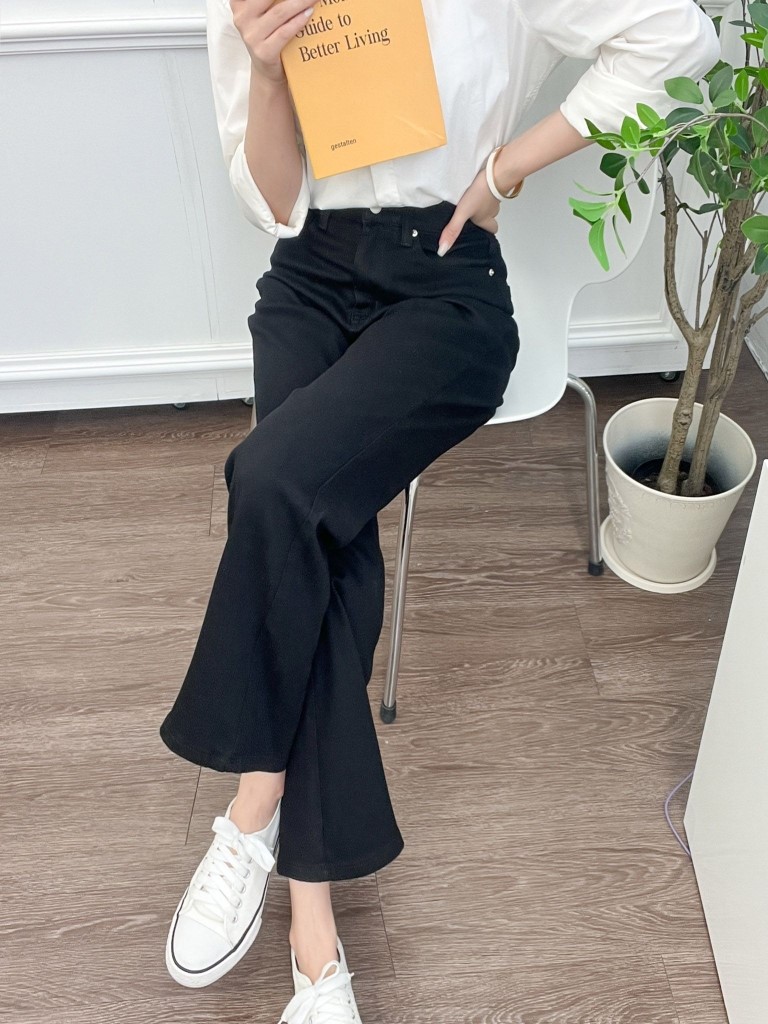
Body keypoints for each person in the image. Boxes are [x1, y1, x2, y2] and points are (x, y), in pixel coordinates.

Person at [158, 1, 719, 1020]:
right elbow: (273, 204)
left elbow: (677, 39)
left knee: (271, 483)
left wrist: (503, 171)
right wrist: (270, 71)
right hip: (311, 273)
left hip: (447, 276)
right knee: (316, 526)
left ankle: (252, 804)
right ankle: (313, 934)